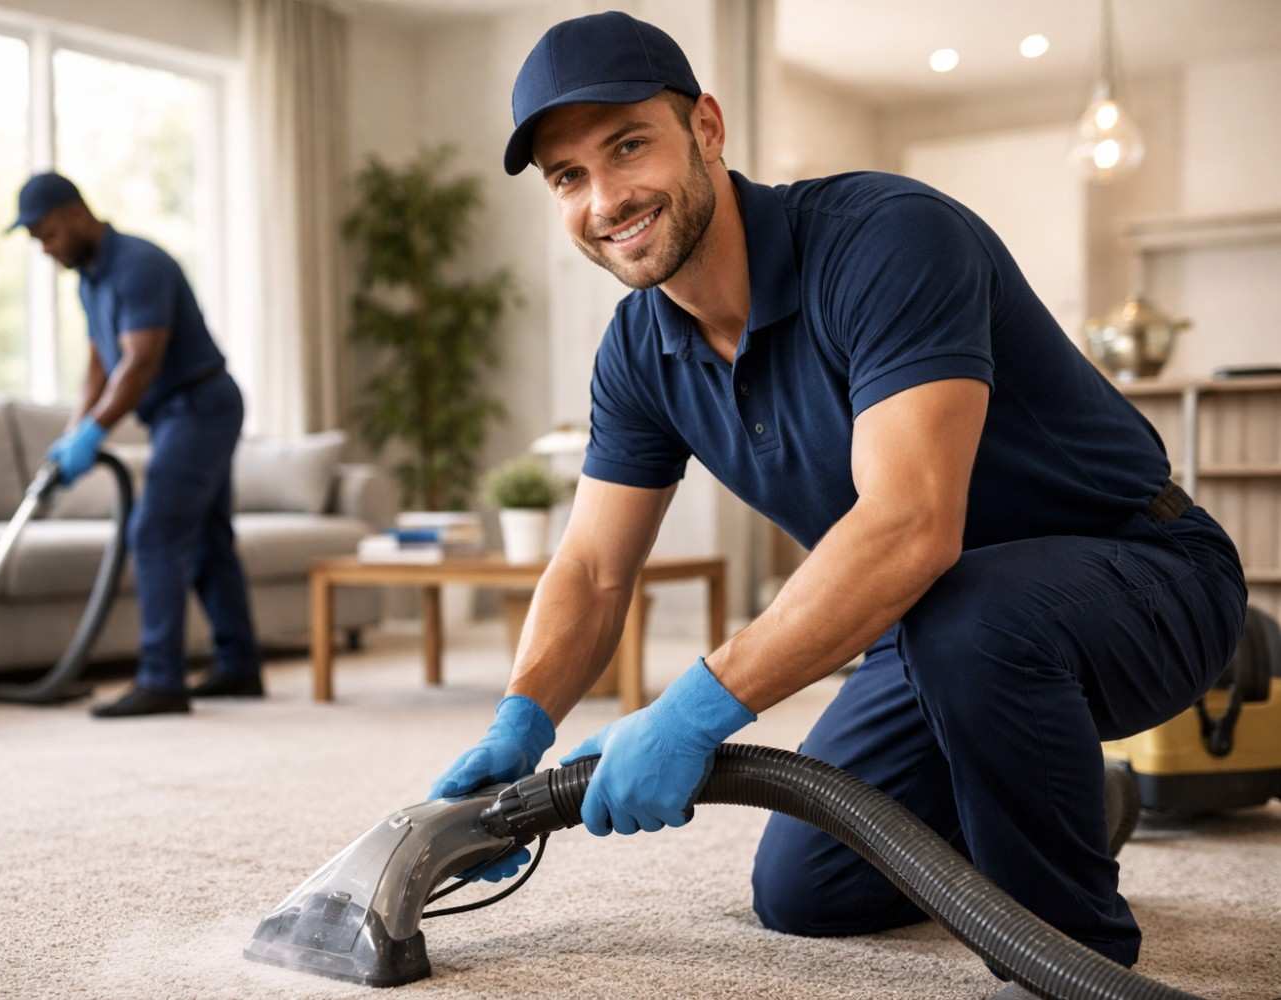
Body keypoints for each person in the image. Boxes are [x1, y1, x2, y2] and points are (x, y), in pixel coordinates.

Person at [426, 12, 1247, 995]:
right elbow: (597, 568)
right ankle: (1066, 792)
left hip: (1145, 574)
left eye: (629, 145)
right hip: (939, 628)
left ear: (709, 129)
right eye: (568, 177)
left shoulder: (886, 239)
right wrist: (519, 725)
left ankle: (1069, 960)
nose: (606, 198)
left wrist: (689, 712)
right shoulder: (638, 349)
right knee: (808, 891)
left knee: (969, 616)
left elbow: (909, 527)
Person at [7, 172, 264, 718]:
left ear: (76, 212)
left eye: (48, 235)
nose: (47, 250)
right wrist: (75, 431)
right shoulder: (90, 279)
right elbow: (100, 361)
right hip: (179, 412)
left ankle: (161, 679)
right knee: (208, 540)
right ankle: (239, 667)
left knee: (153, 532)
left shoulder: (139, 264)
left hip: (200, 404)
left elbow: (140, 360)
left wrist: (97, 431)